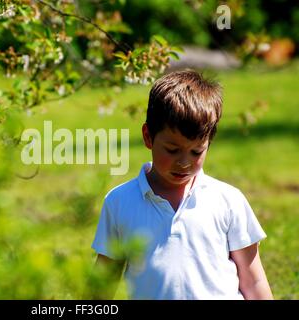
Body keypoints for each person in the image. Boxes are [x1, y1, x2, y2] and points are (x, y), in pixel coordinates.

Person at [89, 70, 273, 300]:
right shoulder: (119, 202)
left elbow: (253, 280)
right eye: (172, 150)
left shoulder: (228, 200)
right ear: (148, 136)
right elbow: (102, 285)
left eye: (196, 151)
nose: (184, 162)